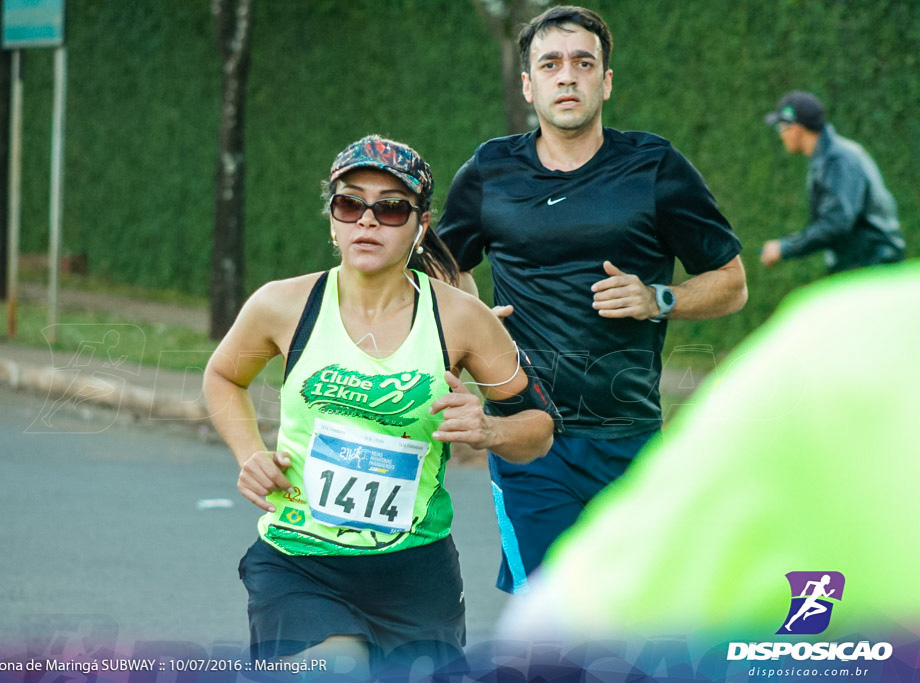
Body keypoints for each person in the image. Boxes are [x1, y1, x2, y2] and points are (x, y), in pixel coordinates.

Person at [202, 134, 558, 680]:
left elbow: (539, 429)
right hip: (301, 560)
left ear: (420, 225)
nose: (367, 221)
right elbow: (224, 375)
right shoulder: (282, 304)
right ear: (332, 221)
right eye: (349, 204)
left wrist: (487, 429)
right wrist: (249, 453)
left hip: (416, 570)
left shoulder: (461, 318)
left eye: (391, 208)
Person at [435, 5, 747, 595]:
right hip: (527, 434)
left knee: (634, 612)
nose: (567, 75)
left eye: (584, 62)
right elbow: (438, 268)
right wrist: (472, 321)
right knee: (549, 616)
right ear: (528, 85)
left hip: (627, 434)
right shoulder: (489, 171)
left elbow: (731, 282)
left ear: (605, 81)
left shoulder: (654, 167)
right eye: (549, 64)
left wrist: (659, 297)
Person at [497, 261, 920, 674]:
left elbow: (550, 630)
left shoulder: (843, 339)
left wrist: (657, 298)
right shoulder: (845, 341)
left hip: (627, 443)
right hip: (549, 453)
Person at [760, 90, 906, 273]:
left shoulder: (837, 160)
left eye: (781, 127)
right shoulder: (830, 157)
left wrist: (785, 247)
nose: (781, 135)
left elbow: (836, 223)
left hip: (872, 268)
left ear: (796, 130)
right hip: (865, 264)